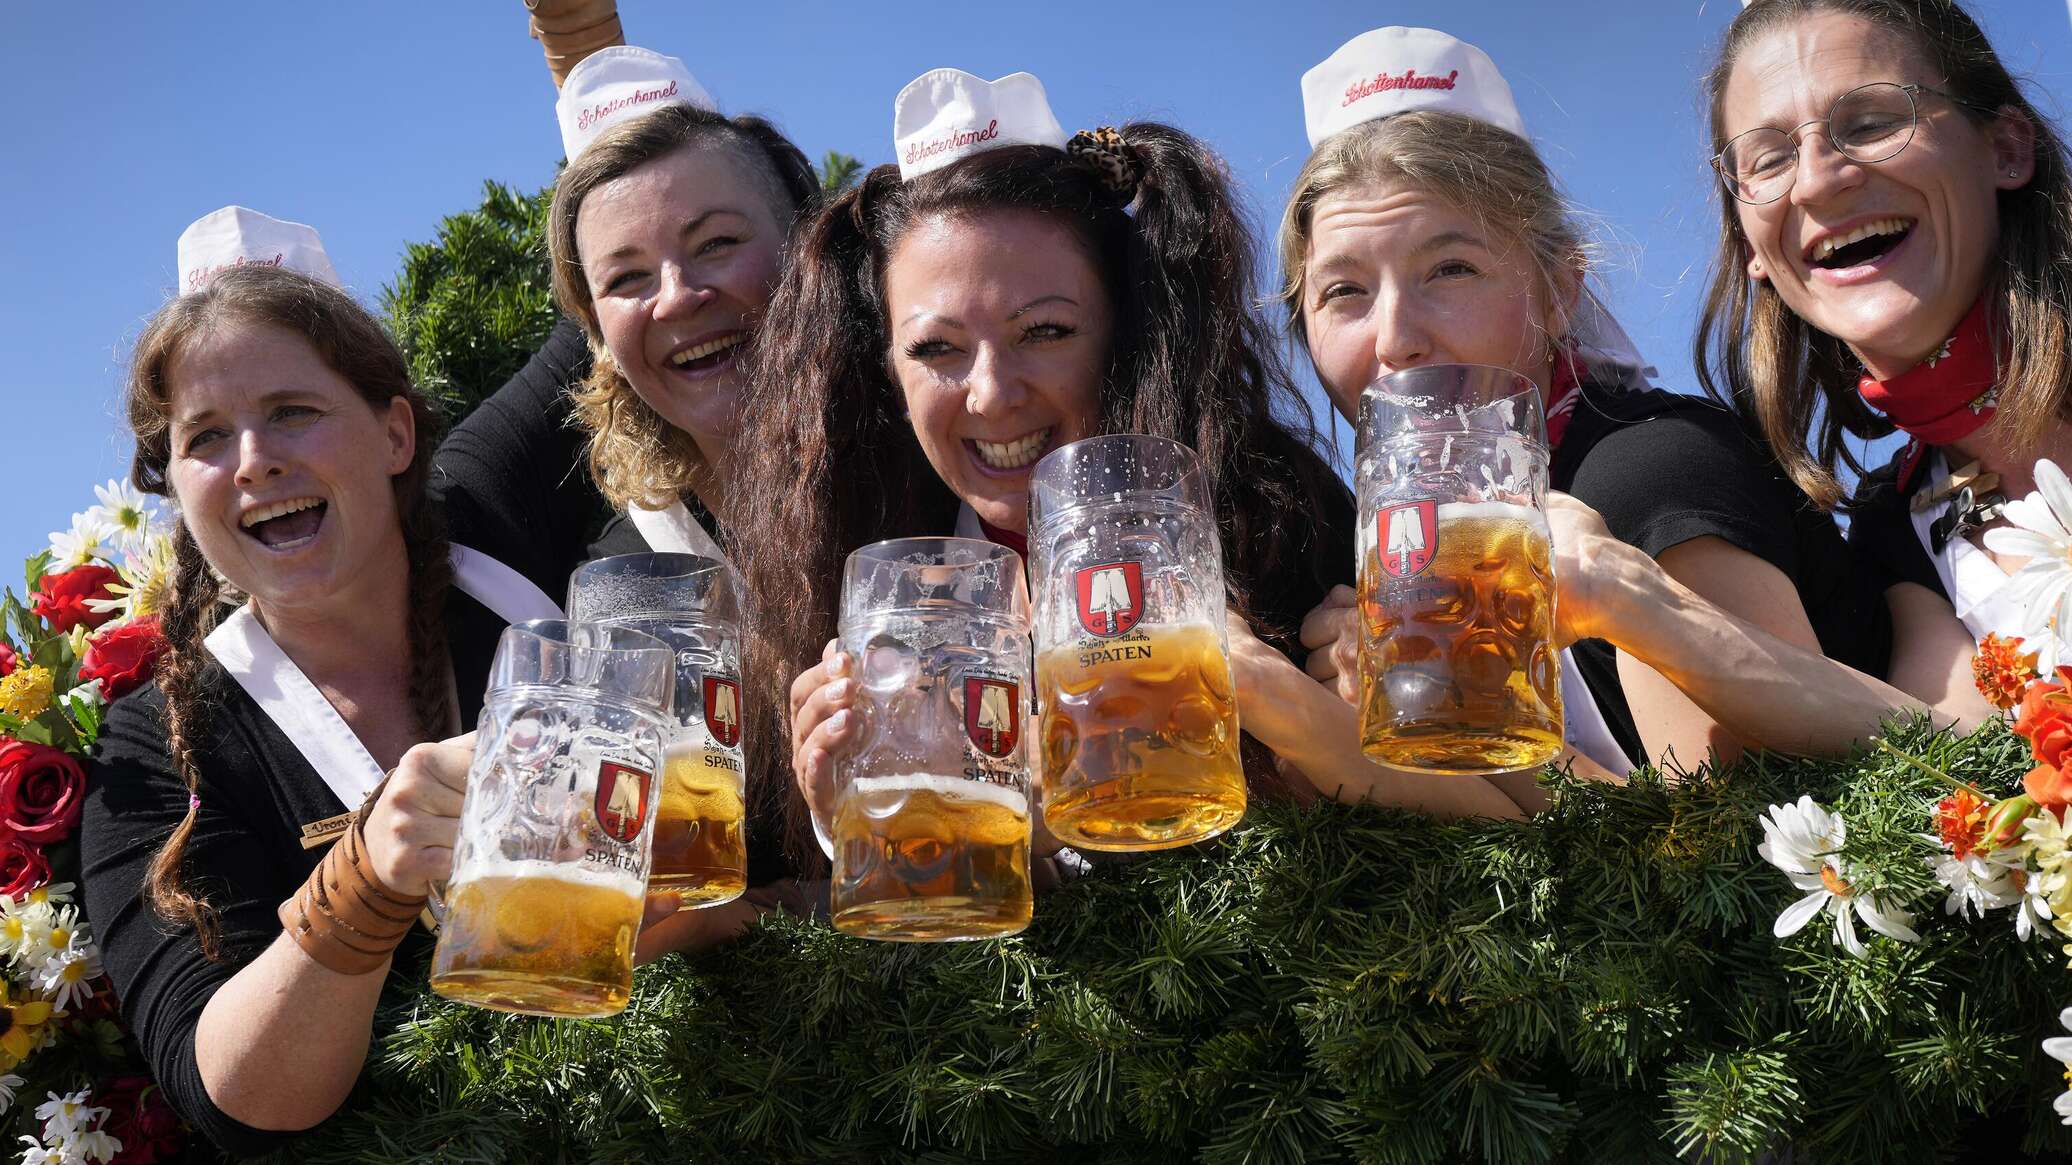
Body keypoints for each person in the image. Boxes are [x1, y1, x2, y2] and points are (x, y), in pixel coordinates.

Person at [751, 66, 1572, 860]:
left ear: (1127, 335)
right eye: (937, 349)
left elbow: (1501, 852)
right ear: (886, 370)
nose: (992, 394)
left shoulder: (1279, 520)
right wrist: (850, 815)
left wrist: (1278, 715)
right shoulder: (868, 570)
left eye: (1045, 331)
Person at [78, 256, 748, 1156]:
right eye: (205, 437)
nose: (255, 460)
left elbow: (602, 286)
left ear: (396, 434)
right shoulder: (158, 742)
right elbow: (232, 1094)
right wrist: (363, 884)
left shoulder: (488, 514)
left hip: (729, 1087)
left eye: (293, 410)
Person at [1281, 27, 1960, 802]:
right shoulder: (1385, 560)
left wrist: (1438, 707)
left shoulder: (1647, 476)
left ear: (1559, 291)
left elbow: (1736, 845)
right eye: (1345, 291)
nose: (1396, 337)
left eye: (1450, 269)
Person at [1697, 0, 2064, 723]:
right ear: (1750, 250)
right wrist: (1644, 607)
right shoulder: (1897, 522)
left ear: (2006, 148)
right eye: (1769, 160)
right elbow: (1952, 765)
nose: (1816, 181)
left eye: (1870, 123)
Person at [433, 45, 818, 594]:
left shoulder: (932, 469)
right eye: (627, 278)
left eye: (717, 243)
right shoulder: (628, 593)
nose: (676, 299)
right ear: (595, 334)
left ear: (808, 243)